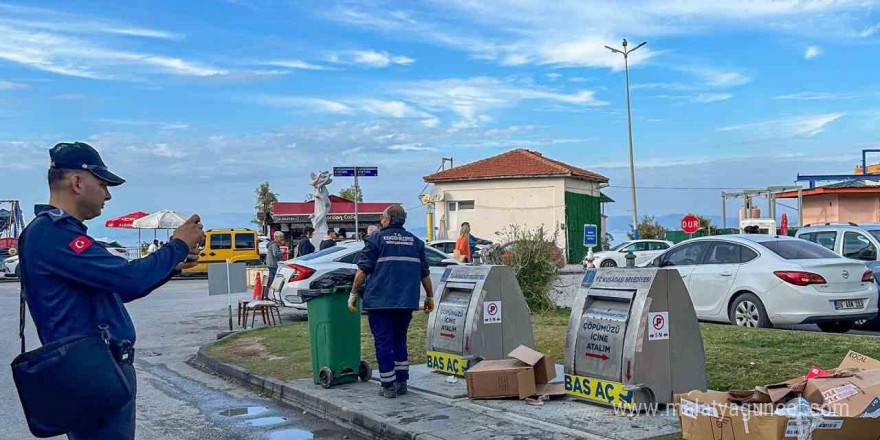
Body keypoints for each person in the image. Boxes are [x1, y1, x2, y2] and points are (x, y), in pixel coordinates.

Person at [17, 142, 204, 440]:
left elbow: (118, 289)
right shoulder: (52, 234)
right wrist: (178, 244)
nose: (108, 194)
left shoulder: (58, 233)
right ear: (78, 182)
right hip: (90, 372)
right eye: (103, 184)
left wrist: (172, 265)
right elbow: (128, 279)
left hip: (97, 370)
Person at [349, 205, 434, 398]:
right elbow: (425, 274)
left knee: (383, 342)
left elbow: (362, 270)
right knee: (400, 339)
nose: (381, 220)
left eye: (382, 217)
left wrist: (353, 294)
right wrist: (430, 296)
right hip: (405, 302)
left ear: (388, 220)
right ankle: (402, 382)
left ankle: (387, 385)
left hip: (380, 302)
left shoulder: (376, 240)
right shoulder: (415, 242)